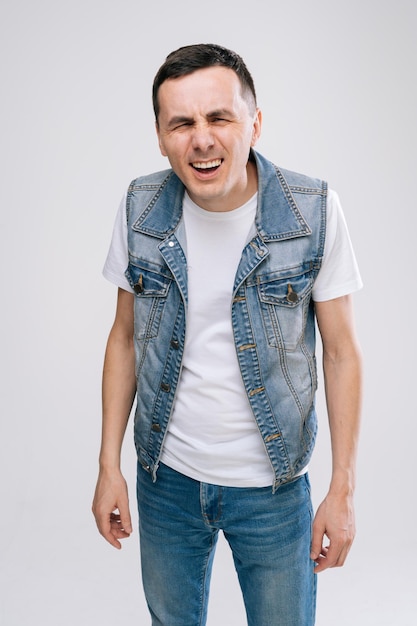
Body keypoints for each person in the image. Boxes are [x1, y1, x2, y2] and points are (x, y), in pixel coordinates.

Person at [92, 43, 363, 626]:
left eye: (219, 117)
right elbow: (123, 338)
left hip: (272, 489)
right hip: (167, 482)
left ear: (254, 124)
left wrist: (341, 489)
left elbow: (341, 353)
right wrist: (108, 465)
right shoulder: (140, 207)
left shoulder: (312, 211)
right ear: (162, 137)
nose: (202, 139)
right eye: (182, 123)